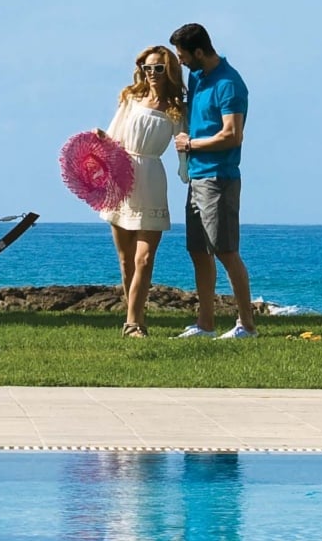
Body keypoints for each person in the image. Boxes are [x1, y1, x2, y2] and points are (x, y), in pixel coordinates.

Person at [169, 22, 255, 338]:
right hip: (196, 177)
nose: (180, 62)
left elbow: (233, 135)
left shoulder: (229, 84)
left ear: (199, 52)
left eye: (182, 56)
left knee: (225, 250)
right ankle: (205, 324)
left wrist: (190, 144)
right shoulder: (197, 78)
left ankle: (247, 325)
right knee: (198, 251)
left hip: (219, 178)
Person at [101, 45, 185, 337]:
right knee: (126, 261)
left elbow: (183, 145)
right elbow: (112, 137)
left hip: (151, 178)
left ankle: (133, 323)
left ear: (170, 71)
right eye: (148, 68)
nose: (152, 74)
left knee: (144, 258)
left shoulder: (177, 107)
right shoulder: (131, 98)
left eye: (158, 68)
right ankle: (135, 318)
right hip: (122, 178)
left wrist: (185, 169)